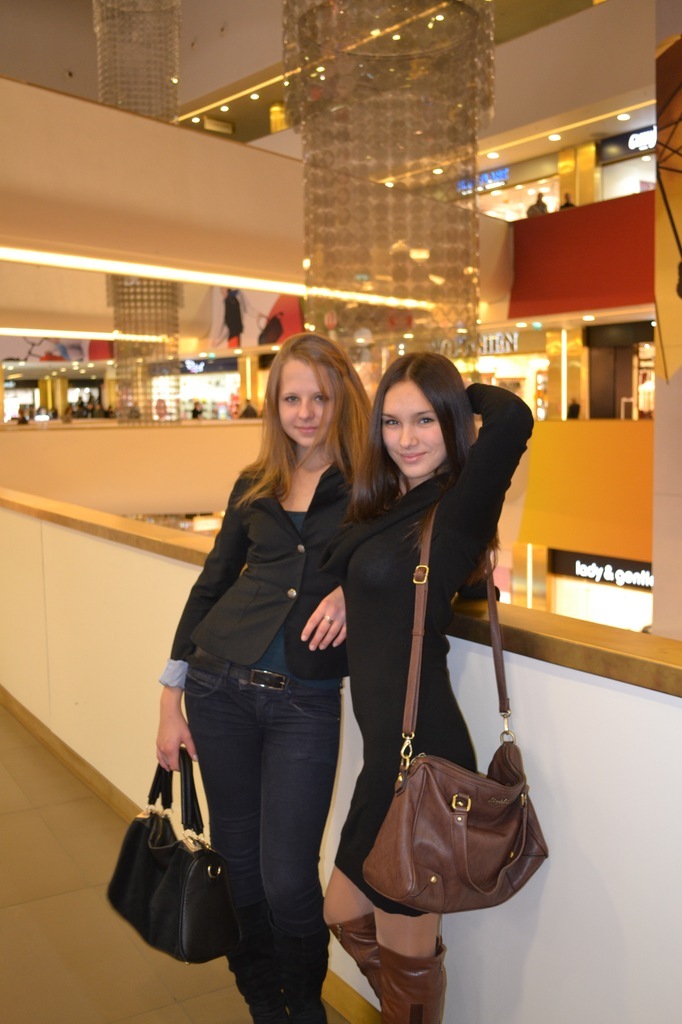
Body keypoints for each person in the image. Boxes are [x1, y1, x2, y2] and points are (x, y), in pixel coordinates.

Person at [156, 333, 370, 1024]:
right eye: (291, 399)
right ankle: (261, 1003)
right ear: (274, 405)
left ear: (342, 399)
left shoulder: (372, 484)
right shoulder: (255, 483)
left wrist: (353, 593)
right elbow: (212, 582)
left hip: (305, 702)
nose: (305, 413)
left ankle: (304, 1007)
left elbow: (412, 563)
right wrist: (169, 700)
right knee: (239, 867)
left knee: (288, 878)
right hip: (216, 689)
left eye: (319, 397)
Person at [321, 353, 534, 1023]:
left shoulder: (460, 504)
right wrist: (347, 590)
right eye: (391, 421)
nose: (406, 438)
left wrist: (455, 392)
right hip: (385, 758)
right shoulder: (392, 505)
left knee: (403, 943)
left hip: (421, 757)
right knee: (342, 910)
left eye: (425, 420)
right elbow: (366, 570)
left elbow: (513, 417)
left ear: (451, 422)